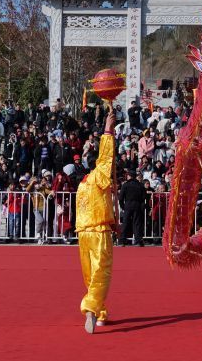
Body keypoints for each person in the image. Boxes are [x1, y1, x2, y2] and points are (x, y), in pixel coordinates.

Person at [76, 110, 118, 334]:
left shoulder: (82, 184)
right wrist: (108, 130)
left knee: (91, 274)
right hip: (98, 232)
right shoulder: (98, 177)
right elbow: (107, 158)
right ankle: (91, 307)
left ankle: (100, 312)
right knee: (102, 272)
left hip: (83, 234)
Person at [118, 170, 147, 246]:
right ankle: (138, 240)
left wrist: (123, 206)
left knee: (125, 223)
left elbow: (121, 198)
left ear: (129, 176)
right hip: (137, 205)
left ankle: (122, 240)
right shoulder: (140, 185)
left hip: (128, 205)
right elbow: (144, 197)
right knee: (137, 223)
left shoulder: (125, 185)